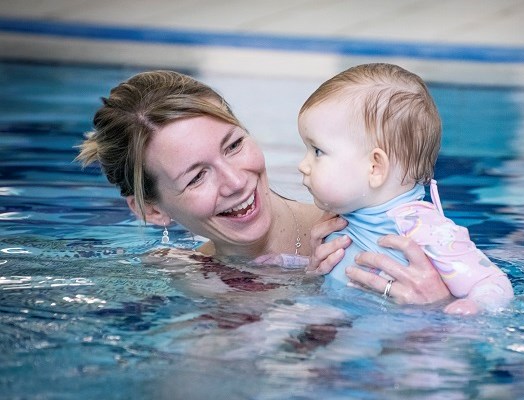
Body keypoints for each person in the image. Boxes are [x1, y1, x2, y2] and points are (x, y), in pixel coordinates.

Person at [76, 69, 451, 305]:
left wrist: (439, 304)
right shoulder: (191, 279)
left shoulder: (379, 226)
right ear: (152, 210)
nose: (236, 181)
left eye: (234, 145)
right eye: (197, 176)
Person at [297, 63, 514, 314]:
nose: (303, 165)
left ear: (375, 168)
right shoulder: (341, 220)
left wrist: (474, 306)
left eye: (317, 151)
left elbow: (493, 283)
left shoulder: (423, 230)